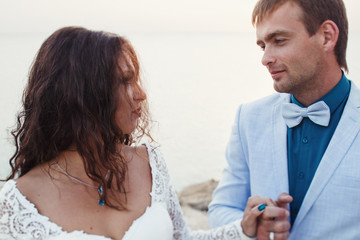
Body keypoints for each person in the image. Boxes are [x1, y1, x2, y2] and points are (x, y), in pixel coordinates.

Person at [0, 26, 269, 240]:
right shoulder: (17, 202)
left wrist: (242, 230)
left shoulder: (149, 162)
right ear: (84, 95)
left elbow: (182, 238)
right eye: (125, 81)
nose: (140, 94)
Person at [208, 0, 360, 239]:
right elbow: (221, 208)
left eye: (279, 41)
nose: (265, 58)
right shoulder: (248, 118)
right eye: (262, 46)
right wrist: (249, 225)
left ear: (327, 37)